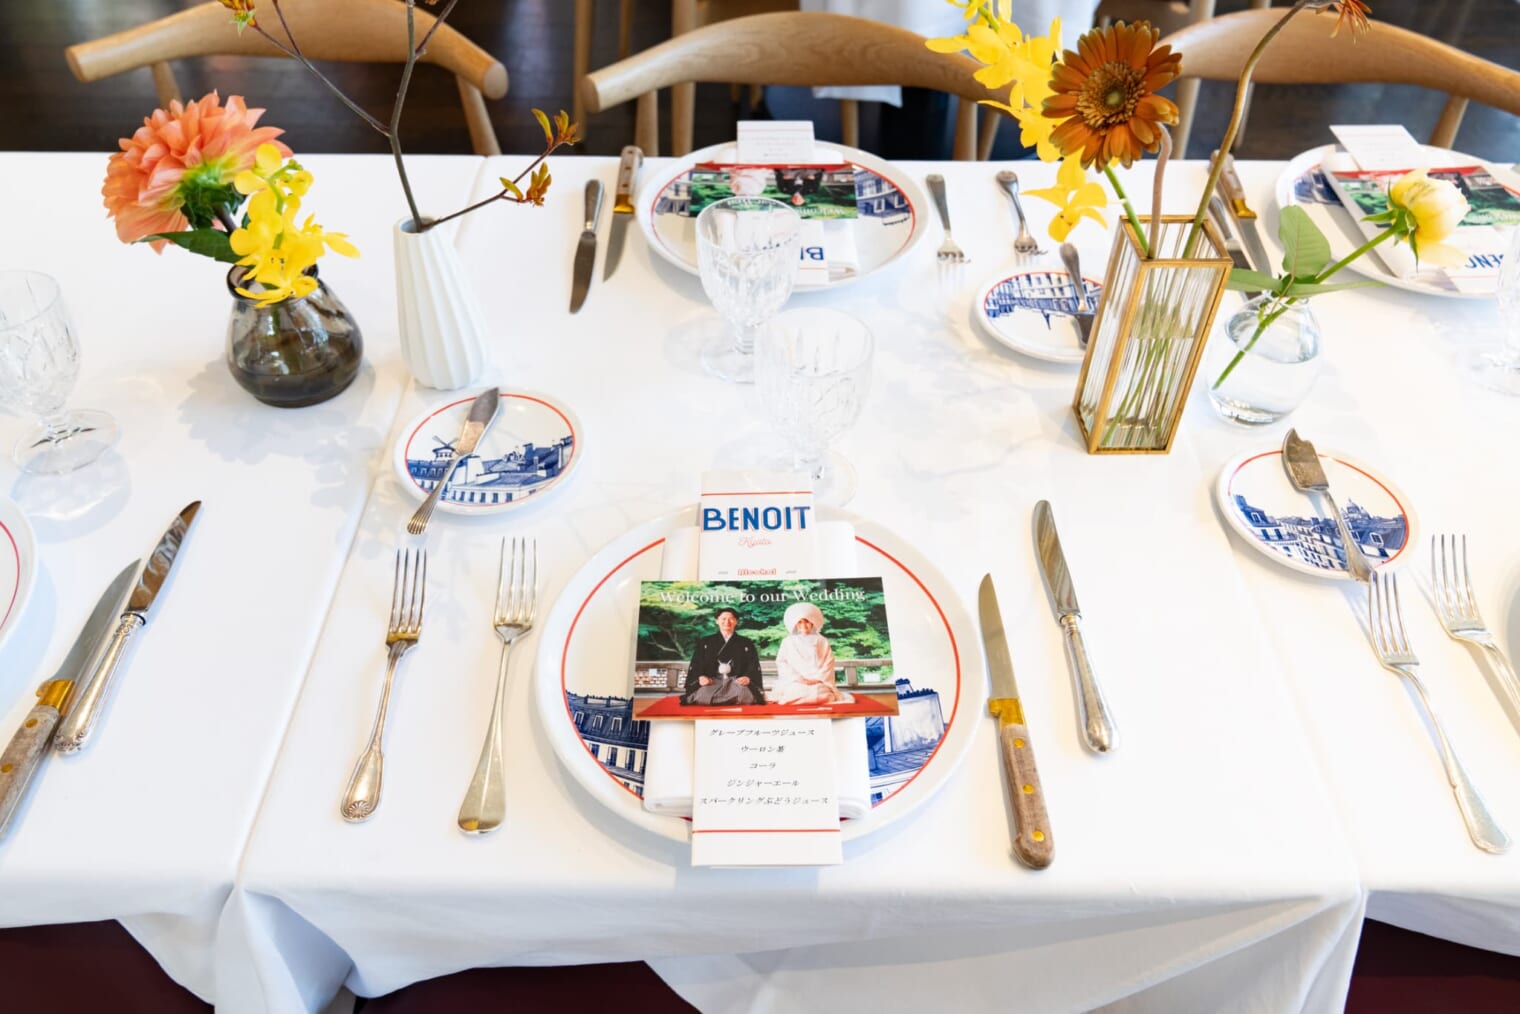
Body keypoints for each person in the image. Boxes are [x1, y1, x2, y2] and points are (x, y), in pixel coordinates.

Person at [772, 602, 853, 705]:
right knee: (795, 692)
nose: (803, 626)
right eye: (800, 622)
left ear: (812, 622)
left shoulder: (821, 641)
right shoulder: (788, 641)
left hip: (818, 680)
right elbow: (782, 662)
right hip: (796, 681)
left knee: (819, 694)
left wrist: (817, 679)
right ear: (795, 624)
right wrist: (799, 678)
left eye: (807, 621)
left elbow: (828, 662)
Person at [681, 606, 765, 706]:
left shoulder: (745, 642)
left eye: (731, 619)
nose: (727, 622)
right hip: (712, 680)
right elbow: (696, 663)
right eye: (723, 619)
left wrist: (747, 677)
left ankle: (719, 700)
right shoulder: (706, 642)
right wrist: (701, 677)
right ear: (717, 621)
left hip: (736, 680)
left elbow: (753, 663)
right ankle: (731, 700)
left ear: (736, 621)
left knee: (744, 694)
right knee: (702, 695)